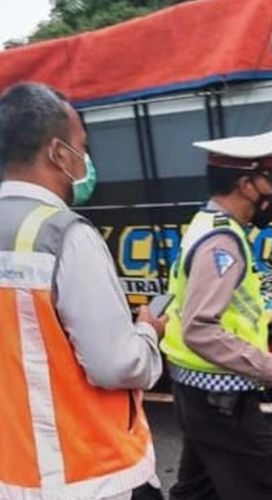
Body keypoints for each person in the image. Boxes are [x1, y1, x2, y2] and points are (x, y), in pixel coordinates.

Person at [0, 82, 166, 499]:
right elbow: (117, 365)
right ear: (59, 153)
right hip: (91, 476)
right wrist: (148, 333)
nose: (86, 160)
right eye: (82, 146)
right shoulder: (64, 236)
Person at [161, 132, 272, 500]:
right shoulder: (222, 243)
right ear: (246, 185)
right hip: (222, 401)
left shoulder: (208, 225)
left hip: (198, 393)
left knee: (197, 492)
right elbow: (200, 330)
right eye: (269, 176)